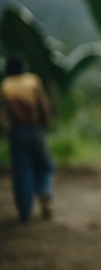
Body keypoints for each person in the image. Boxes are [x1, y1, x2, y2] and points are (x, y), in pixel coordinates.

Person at [0, 55, 55, 223]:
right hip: (35, 129)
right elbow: (44, 104)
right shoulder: (33, 80)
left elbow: (1, 114)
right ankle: (45, 192)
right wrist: (46, 126)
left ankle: (24, 210)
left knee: (21, 170)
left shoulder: (6, 86)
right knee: (45, 165)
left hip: (17, 132)